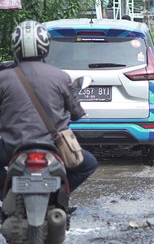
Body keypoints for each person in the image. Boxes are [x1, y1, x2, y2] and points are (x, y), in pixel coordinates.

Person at [0, 20, 98, 199]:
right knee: (89, 164)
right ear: (45, 46)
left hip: (12, 146)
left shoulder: (3, 78)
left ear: (15, 47)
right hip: (54, 146)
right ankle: (57, 196)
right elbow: (76, 114)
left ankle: (8, 196)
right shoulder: (60, 76)